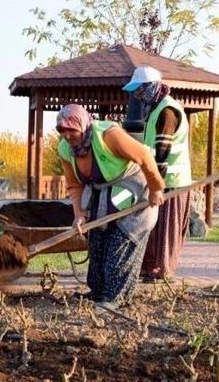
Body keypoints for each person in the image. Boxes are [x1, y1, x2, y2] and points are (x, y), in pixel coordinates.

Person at [56, 104, 165, 304]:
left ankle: (115, 298)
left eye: (72, 130)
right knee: (98, 241)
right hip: (103, 194)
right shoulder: (65, 149)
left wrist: (156, 187)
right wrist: (79, 213)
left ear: (83, 125)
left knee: (120, 241)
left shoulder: (108, 135)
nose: (67, 136)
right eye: (62, 130)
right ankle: (97, 293)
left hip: (134, 189)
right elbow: (74, 185)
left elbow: (144, 156)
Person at [123, 66, 193, 282]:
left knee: (166, 228)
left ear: (151, 87)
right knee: (152, 224)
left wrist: (156, 185)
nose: (137, 95)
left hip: (172, 181)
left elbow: (162, 151)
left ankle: (162, 270)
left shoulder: (167, 111)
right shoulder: (155, 109)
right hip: (160, 179)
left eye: (140, 90)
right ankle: (150, 266)